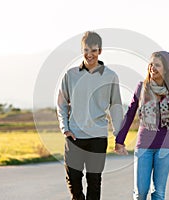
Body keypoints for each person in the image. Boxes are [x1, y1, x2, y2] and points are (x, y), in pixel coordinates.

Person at [57, 31, 123, 200]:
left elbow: (115, 107)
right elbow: (62, 104)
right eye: (86, 50)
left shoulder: (110, 76)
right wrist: (65, 129)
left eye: (93, 50)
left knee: (94, 180)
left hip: (98, 137)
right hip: (74, 136)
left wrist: (119, 137)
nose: (89, 54)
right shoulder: (70, 75)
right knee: (73, 179)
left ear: (100, 51)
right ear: (82, 50)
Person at [115, 51, 169, 200]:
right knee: (140, 192)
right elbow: (130, 115)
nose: (152, 68)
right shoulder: (142, 88)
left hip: (166, 148)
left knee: (159, 193)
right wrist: (120, 140)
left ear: (166, 69)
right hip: (144, 146)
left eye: (157, 65)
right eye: (151, 64)